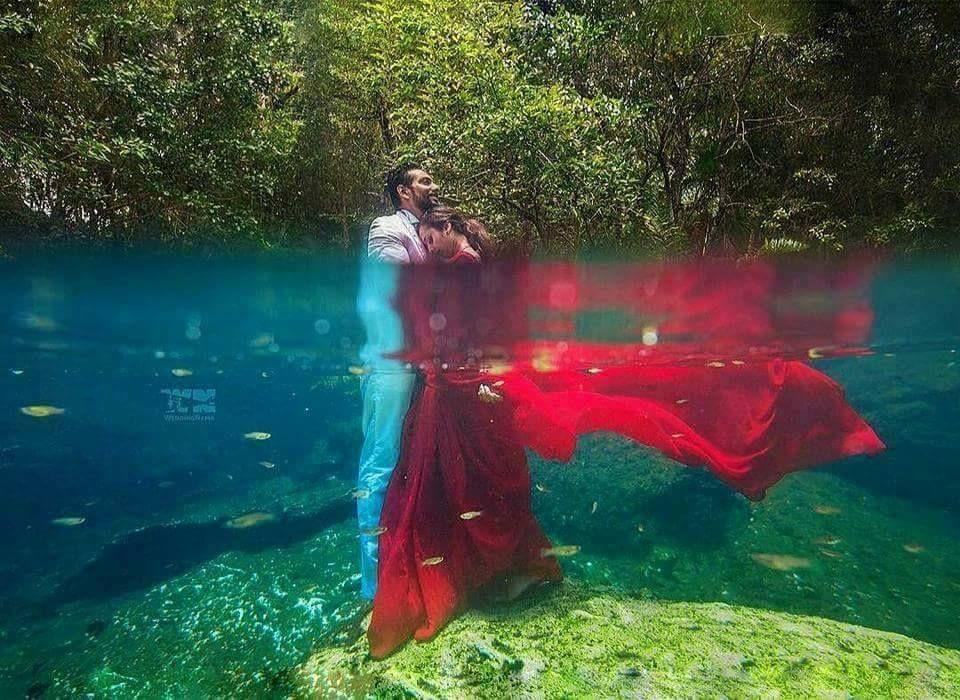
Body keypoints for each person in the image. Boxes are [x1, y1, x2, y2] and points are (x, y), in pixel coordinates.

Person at [366, 221, 885, 658]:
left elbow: (460, 337)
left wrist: (446, 370)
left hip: (472, 384)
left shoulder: (463, 268)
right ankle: (496, 569)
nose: (425, 245)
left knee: (492, 466)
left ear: (447, 228)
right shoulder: (468, 268)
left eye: (429, 235)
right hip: (471, 383)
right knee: (486, 473)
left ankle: (491, 571)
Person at [355, 163, 440, 601]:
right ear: (403, 192)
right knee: (381, 461)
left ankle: (407, 571)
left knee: (414, 460)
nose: (434, 186)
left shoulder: (433, 232)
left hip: (423, 363)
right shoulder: (385, 227)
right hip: (391, 365)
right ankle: (374, 590)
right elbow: (398, 288)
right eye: (425, 181)